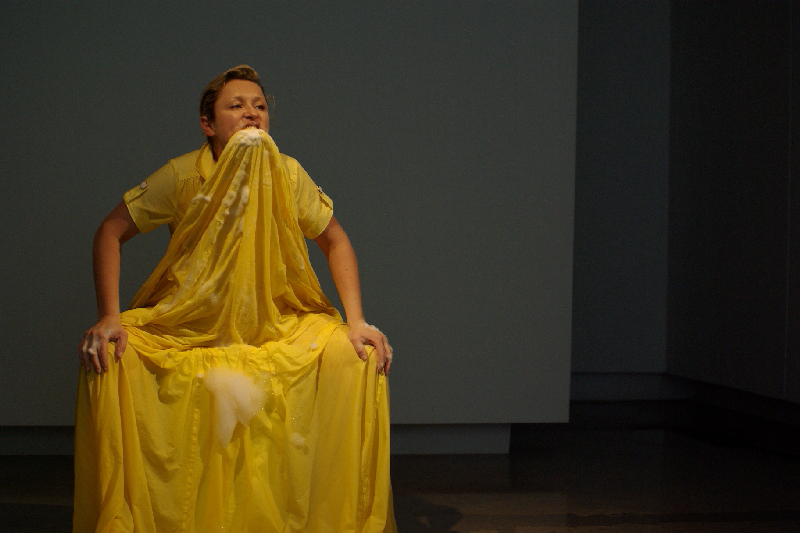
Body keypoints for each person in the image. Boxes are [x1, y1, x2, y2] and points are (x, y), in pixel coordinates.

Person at [74, 65, 396, 533]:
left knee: (357, 355)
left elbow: (336, 240)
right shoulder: (183, 174)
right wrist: (109, 316)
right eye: (237, 105)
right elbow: (110, 231)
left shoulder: (287, 172)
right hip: (188, 323)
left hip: (281, 321)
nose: (252, 114)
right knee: (111, 354)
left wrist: (357, 320)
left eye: (261, 106)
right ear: (209, 124)